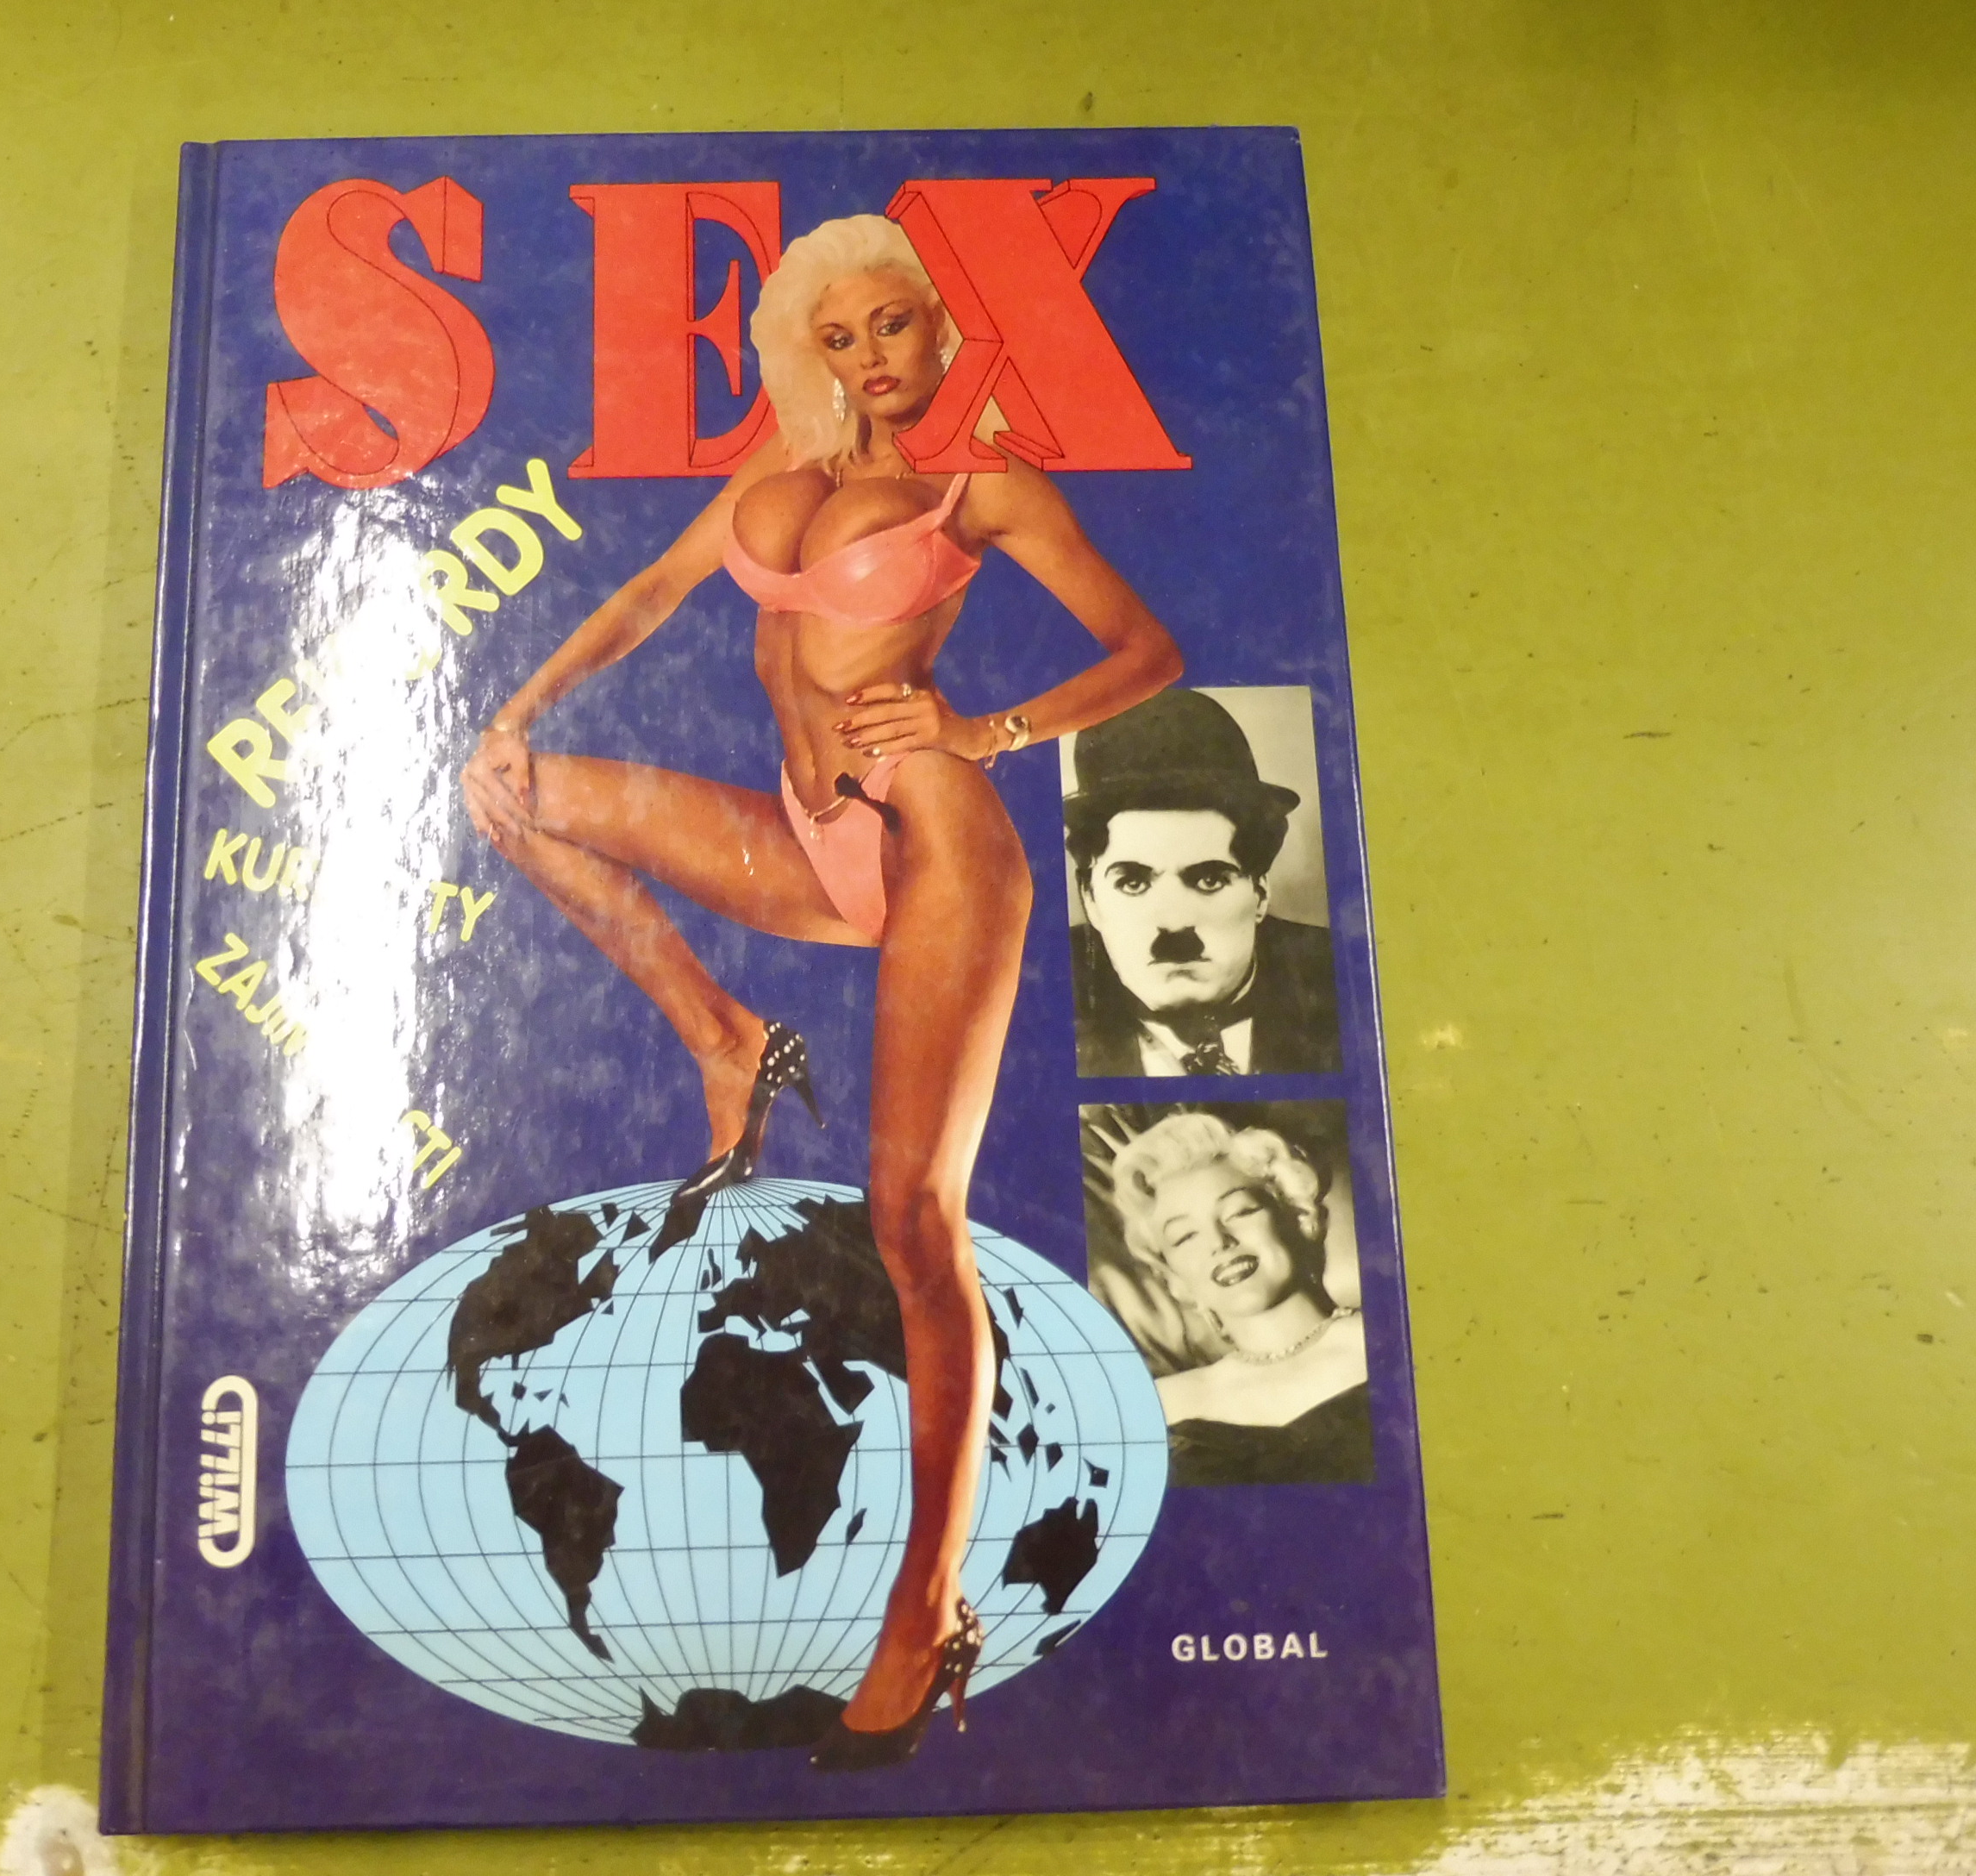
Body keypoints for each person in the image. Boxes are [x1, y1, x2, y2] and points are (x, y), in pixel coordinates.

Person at [460, 213, 1182, 1768]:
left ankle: (923, 1607)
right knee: (516, 800)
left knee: (911, 1221)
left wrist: (984, 732)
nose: (869, 357)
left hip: (934, 841)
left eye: (892, 326)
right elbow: (647, 597)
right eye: (837, 335)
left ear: (939, 328)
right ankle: (723, 1036)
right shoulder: (771, 476)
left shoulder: (978, 484)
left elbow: (1145, 650)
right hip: (805, 836)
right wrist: (515, 710)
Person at [1063, 687, 1341, 1077]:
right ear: (1090, 898)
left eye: (1209, 880)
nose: (1175, 923)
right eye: (1133, 883)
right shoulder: (1040, 998)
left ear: (1260, 891)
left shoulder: (1342, 984)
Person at [1107, 1111, 1372, 1485]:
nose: (1219, 1242)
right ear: (1174, 1278)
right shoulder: (1151, 1408)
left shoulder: (1389, 1343)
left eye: (1240, 1212)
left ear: (1298, 1216)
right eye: (1185, 1237)